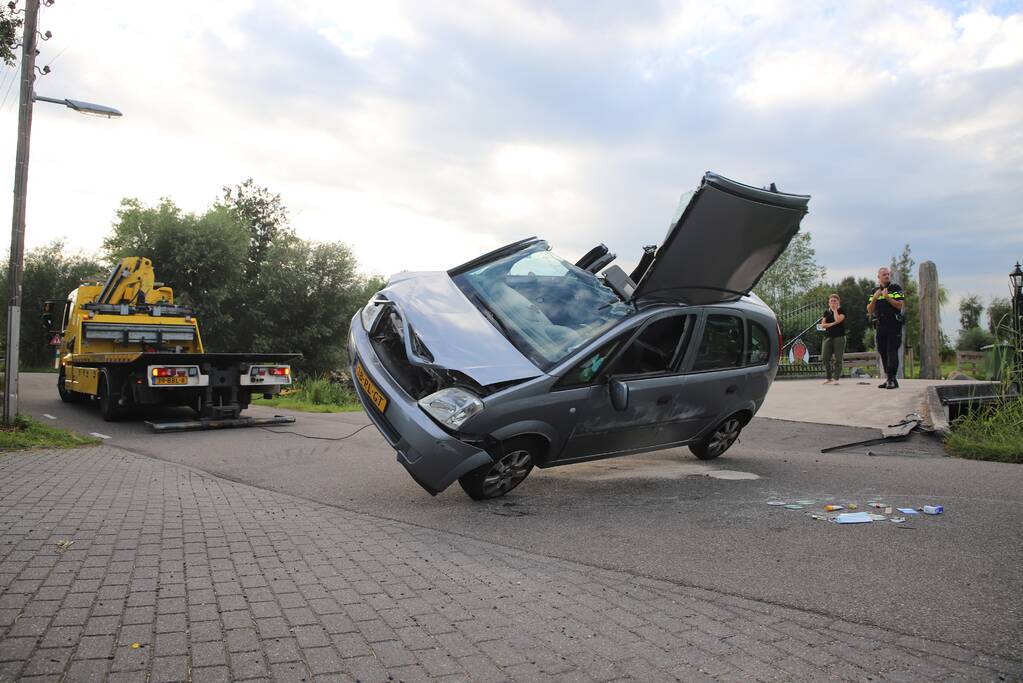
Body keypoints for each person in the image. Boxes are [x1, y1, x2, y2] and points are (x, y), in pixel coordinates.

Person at [866, 267, 906, 389]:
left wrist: (887, 297)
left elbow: (900, 305)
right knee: (882, 351)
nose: (887, 276)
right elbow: (870, 310)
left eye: (888, 274)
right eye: (884, 274)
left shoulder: (895, 288)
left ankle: (891, 379)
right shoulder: (874, 290)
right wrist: (875, 298)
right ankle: (890, 378)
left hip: (893, 324)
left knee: (891, 350)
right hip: (880, 325)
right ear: (878, 276)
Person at [819, 293, 846, 384]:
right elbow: (823, 325)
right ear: (829, 303)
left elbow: (838, 319)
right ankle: (828, 377)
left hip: (839, 337)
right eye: (831, 301)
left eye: (835, 301)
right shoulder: (826, 312)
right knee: (825, 357)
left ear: (838, 302)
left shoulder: (841, 310)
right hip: (827, 337)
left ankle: (836, 378)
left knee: (838, 359)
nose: (833, 303)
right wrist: (833, 324)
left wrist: (835, 310)